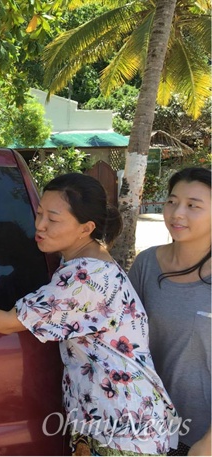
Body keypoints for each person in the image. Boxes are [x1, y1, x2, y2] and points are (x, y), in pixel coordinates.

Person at [0, 173, 178, 456]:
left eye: (52, 219)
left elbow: (8, 322)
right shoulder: (86, 260)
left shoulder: (83, 277)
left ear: (86, 227)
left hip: (122, 425)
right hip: (115, 414)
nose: (39, 226)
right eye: (39, 213)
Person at [128, 167, 211, 456]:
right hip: (149, 427)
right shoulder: (147, 264)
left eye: (193, 206)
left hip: (202, 437)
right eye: (172, 201)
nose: (177, 213)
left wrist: (208, 444)